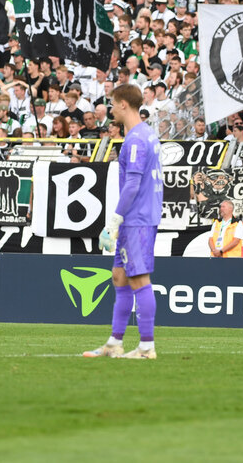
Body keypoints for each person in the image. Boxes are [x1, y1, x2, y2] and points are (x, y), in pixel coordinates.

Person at [84, 84, 164, 360]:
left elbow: (132, 184)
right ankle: (114, 342)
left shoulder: (136, 139)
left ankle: (146, 347)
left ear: (123, 105)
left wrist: (114, 221)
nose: (110, 108)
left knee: (139, 278)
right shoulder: (146, 134)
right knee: (119, 276)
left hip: (137, 218)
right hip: (138, 216)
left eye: (112, 103)